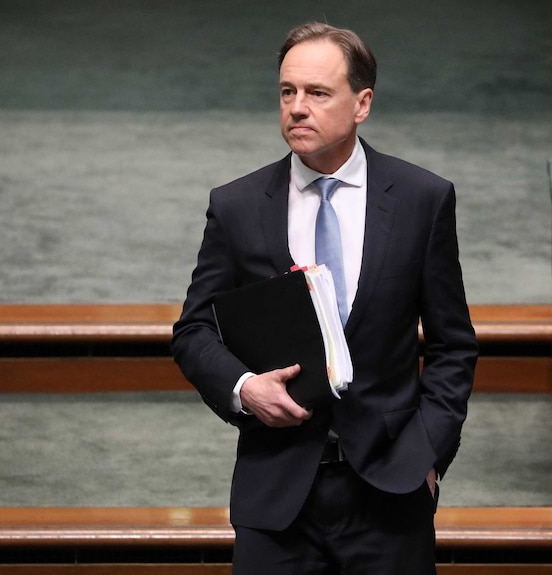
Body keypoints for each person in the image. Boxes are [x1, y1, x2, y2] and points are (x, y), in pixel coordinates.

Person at [171, 21, 478, 575]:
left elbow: (454, 345)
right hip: (277, 488)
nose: (296, 108)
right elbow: (194, 330)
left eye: (317, 93)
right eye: (287, 92)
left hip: (390, 489)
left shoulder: (421, 200)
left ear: (362, 103)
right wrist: (244, 388)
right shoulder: (238, 205)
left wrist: (427, 456)